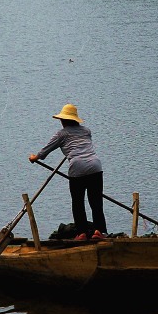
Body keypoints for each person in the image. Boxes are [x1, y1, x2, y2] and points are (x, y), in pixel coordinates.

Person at [29, 103, 107, 240]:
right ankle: (99, 231)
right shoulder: (86, 131)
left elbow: (45, 150)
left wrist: (34, 157)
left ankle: (82, 233)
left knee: (77, 202)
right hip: (95, 165)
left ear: (63, 120)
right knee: (96, 202)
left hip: (77, 167)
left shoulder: (61, 134)